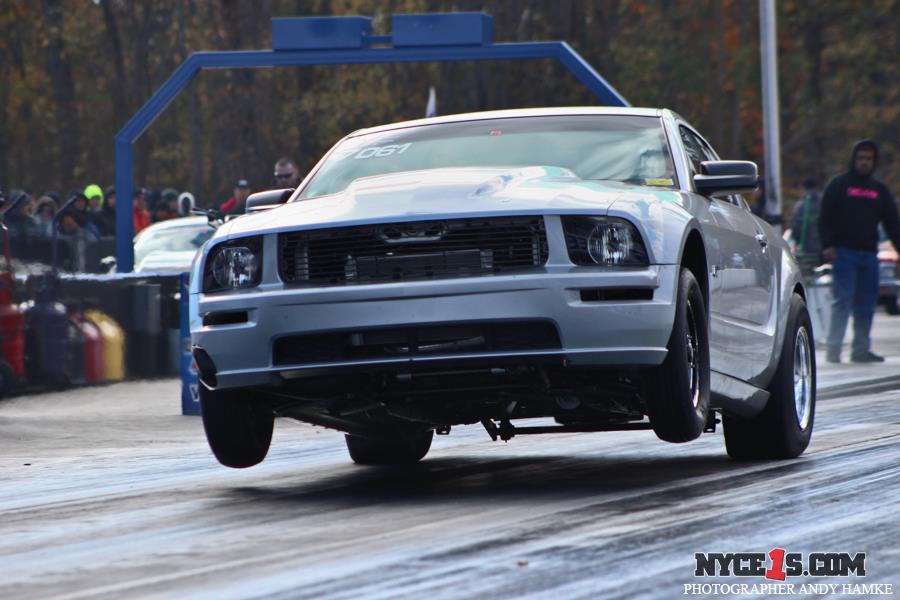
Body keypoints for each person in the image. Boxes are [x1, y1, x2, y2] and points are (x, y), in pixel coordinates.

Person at [819, 139, 900, 363]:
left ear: (874, 162)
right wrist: (828, 246)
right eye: (861, 158)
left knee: (866, 303)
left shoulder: (879, 190)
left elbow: (892, 222)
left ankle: (861, 349)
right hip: (844, 253)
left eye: (868, 159)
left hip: (869, 255)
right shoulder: (839, 185)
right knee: (842, 301)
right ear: (854, 159)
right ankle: (834, 349)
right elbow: (825, 218)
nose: (864, 162)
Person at [789, 178, 823, 269]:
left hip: (806, 249)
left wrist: (797, 241)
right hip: (824, 250)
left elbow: (796, 226)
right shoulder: (824, 202)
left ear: (803, 188)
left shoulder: (801, 205)